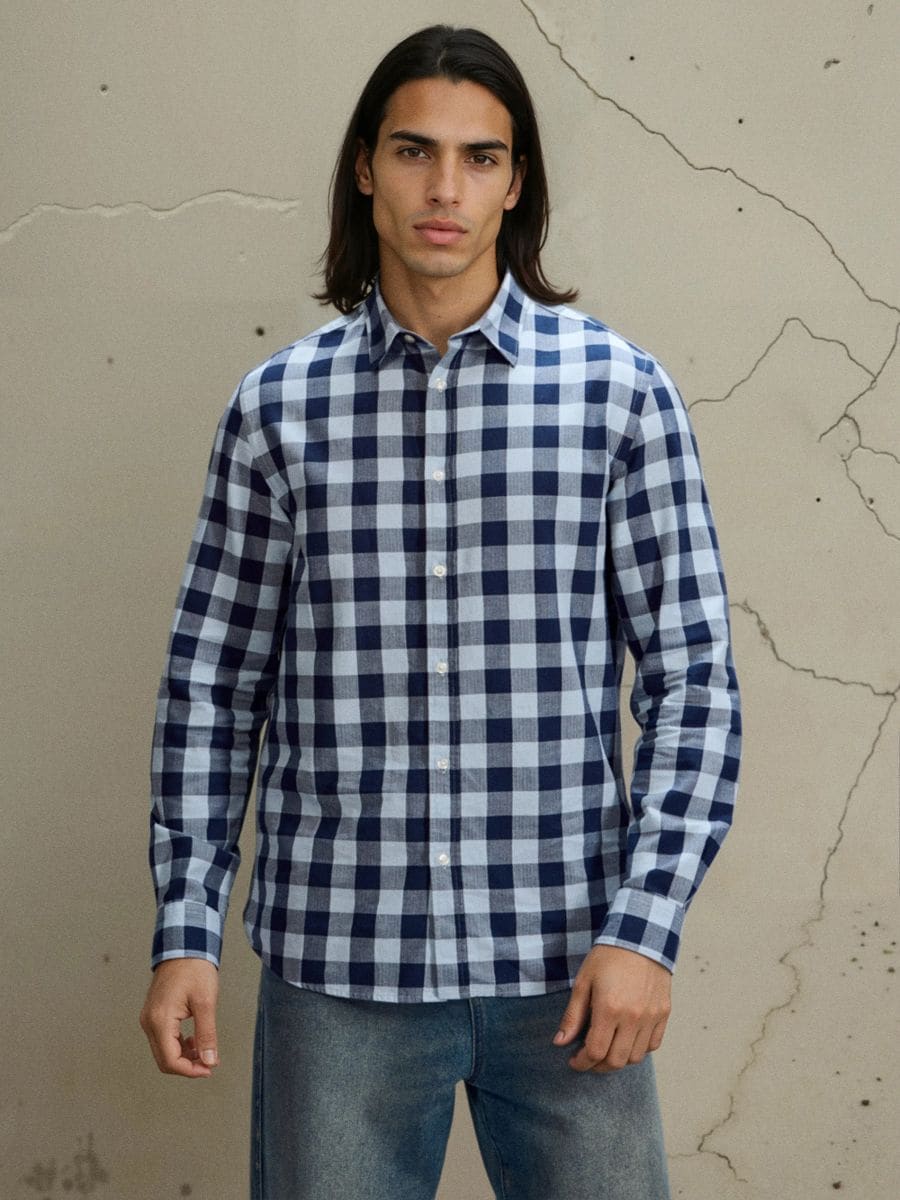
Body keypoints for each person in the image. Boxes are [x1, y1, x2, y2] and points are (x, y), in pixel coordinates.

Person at [140, 24, 742, 1200]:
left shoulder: (618, 395)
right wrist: (185, 928)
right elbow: (211, 688)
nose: (445, 188)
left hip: (570, 964)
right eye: (416, 151)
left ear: (516, 183)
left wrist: (645, 926)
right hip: (341, 967)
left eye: (480, 157)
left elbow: (696, 681)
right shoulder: (277, 409)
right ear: (367, 167)